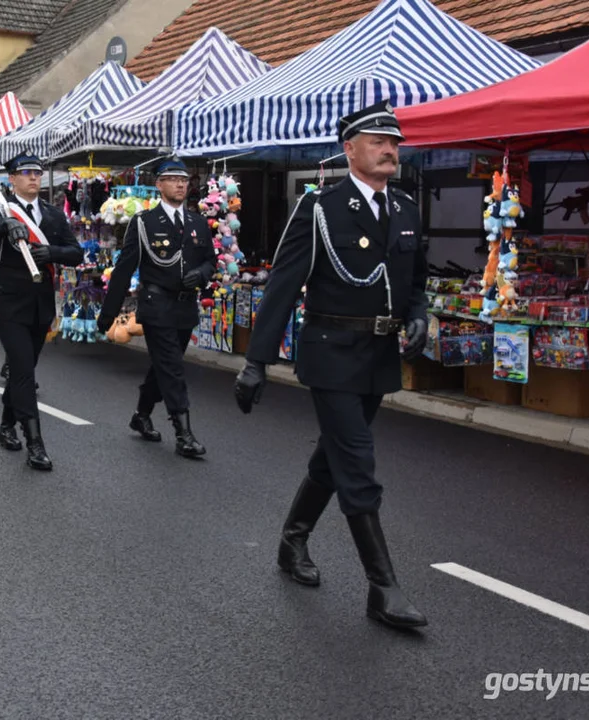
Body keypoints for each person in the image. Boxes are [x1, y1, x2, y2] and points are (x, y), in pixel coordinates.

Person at [234, 101, 429, 630]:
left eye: (395, 142)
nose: (390, 150)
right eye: (377, 141)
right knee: (357, 463)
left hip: (378, 358)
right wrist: (256, 362)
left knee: (334, 457)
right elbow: (282, 285)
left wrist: (419, 314)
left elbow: (415, 280)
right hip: (331, 354)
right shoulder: (319, 208)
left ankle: (292, 540)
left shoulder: (406, 208)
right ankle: (382, 587)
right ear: (349, 149)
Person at [97, 158, 216, 457]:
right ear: (159, 185)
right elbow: (124, 268)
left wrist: (201, 275)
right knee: (173, 368)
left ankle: (141, 414)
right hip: (156, 304)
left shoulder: (198, 222)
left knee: (165, 365)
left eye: (184, 179)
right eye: (173, 179)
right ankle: (183, 433)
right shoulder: (144, 222)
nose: (180, 184)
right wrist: (108, 313)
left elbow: (210, 261)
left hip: (185, 307)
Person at [0, 153, 83, 471]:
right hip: (10, 304)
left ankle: (5, 424)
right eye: (25, 173)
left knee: (22, 371)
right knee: (25, 370)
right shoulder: (0, 207)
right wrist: (9, 222)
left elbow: (76, 253)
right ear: (11, 179)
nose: (33, 178)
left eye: (37, 173)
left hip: (40, 306)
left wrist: (50, 252)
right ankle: (35, 443)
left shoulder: (54, 216)